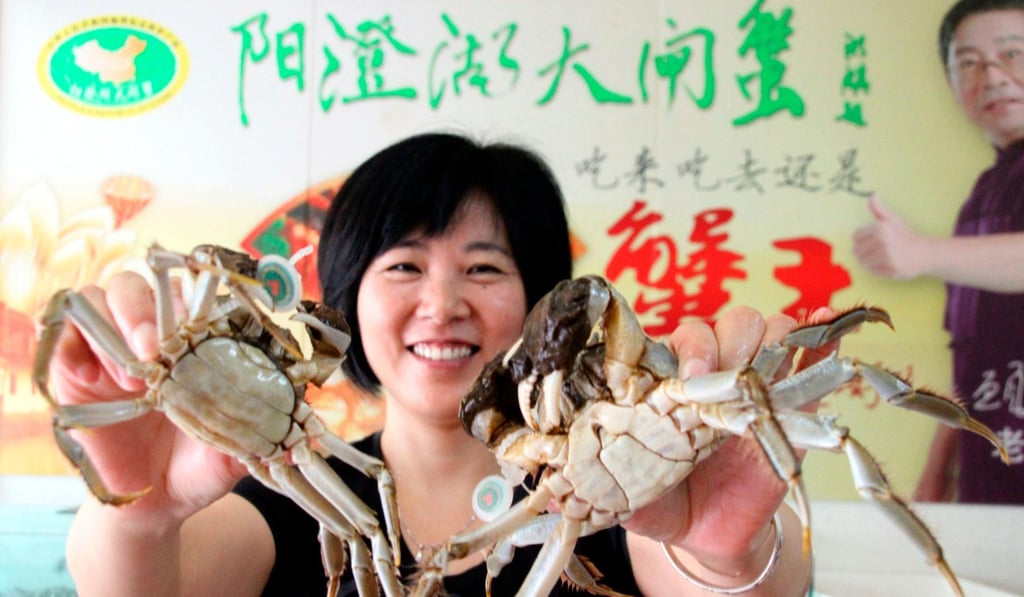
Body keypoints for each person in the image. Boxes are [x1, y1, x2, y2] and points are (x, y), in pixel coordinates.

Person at [51, 131, 814, 596]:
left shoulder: (621, 489)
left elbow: (731, 582)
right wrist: (138, 512)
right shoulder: (283, 503)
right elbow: (148, 582)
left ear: (546, 304)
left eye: (483, 269)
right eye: (404, 267)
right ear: (348, 299)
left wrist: (727, 549)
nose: (442, 303)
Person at [852, 0, 1024, 504]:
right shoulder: (983, 193)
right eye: (968, 63)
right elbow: (968, 361)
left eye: (1012, 53)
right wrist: (936, 475)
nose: (991, 75)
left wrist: (923, 253)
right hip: (990, 483)